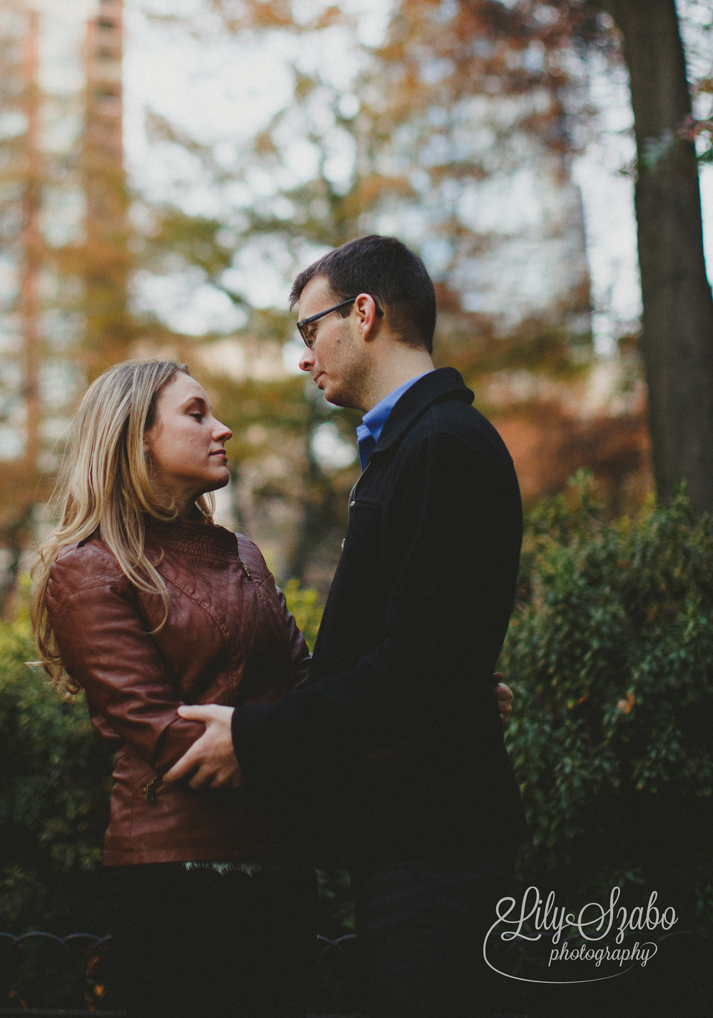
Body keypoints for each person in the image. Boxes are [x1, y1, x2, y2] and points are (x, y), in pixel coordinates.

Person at [165, 235, 528, 1018]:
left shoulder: (443, 446)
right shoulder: (410, 449)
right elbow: (432, 656)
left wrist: (256, 736)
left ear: (363, 314)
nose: (304, 357)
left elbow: (415, 668)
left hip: (435, 847)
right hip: (408, 839)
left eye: (308, 329)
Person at [30, 357, 316, 1018]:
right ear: (137, 439)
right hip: (173, 876)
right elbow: (166, 738)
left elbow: (310, 685)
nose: (223, 428)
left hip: (280, 860)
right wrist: (295, 739)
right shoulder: (87, 569)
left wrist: (426, 699)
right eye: (196, 414)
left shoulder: (242, 552)